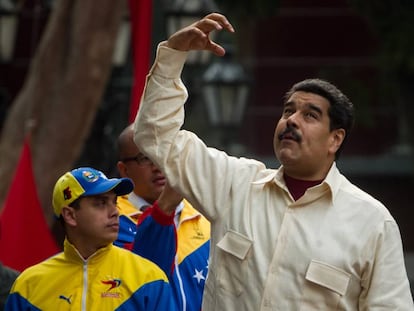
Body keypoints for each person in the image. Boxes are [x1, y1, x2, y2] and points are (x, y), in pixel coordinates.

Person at [133, 12, 414, 310]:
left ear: (335, 139)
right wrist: (172, 56)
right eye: (287, 111)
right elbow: (155, 136)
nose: (292, 120)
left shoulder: (372, 223)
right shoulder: (234, 185)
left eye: (310, 115)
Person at [5, 167, 176, 311]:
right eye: (101, 203)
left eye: (114, 202)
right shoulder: (28, 286)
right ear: (70, 215)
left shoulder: (149, 278)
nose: (115, 211)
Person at [115, 123, 210, 311]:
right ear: (124, 170)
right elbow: (144, 280)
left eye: (166, 154)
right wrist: (165, 207)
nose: (159, 166)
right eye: (146, 157)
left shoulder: (205, 213)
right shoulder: (110, 220)